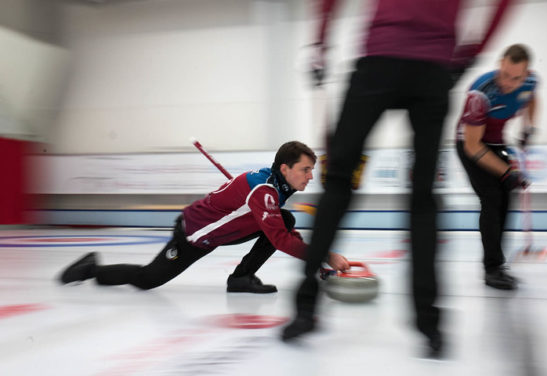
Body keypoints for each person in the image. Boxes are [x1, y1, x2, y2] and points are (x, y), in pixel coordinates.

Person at [281, 0, 516, 358]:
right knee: (423, 195)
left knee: (340, 182)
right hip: (433, 68)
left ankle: (306, 307)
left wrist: (321, 43)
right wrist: (472, 50)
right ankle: (430, 324)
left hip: (380, 61)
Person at [58, 141, 350, 292]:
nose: (311, 176)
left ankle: (241, 279)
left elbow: (280, 231)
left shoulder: (273, 185)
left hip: (216, 236)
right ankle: (91, 269)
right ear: (285, 168)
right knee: (148, 278)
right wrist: (324, 255)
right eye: (305, 169)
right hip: (192, 236)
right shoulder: (264, 189)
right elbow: (280, 240)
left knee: (285, 221)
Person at [455, 44, 537, 290]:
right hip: (471, 145)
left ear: (526, 74)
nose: (509, 83)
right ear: (499, 65)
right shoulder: (480, 94)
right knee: (491, 197)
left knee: (507, 197)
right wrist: (507, 172)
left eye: (516, 78)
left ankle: (498, 264)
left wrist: (529, 127)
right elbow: (473, 146)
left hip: (497, 142)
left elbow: (532, 99)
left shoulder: (530, 82)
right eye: (505, 75)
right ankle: (491, 270)